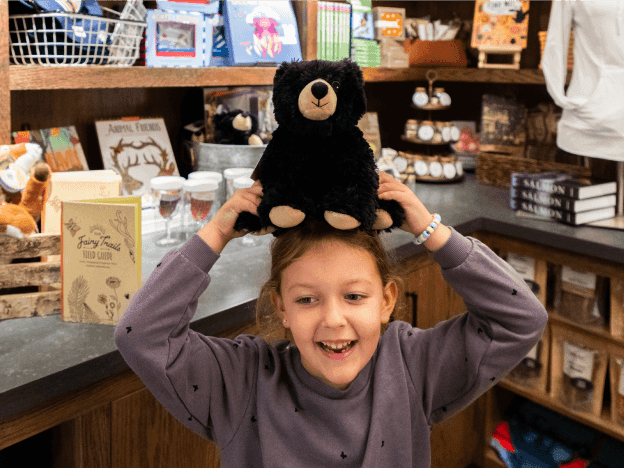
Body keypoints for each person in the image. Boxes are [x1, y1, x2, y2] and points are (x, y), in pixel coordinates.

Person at [115, 171, 548, 467]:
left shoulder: (414, 366)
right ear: (280, 307)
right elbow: (142, 334)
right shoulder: (242, 382)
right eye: (306, 300)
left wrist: (430, 229)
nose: (333, 320)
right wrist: (216, 231)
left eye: (355, 296)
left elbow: (520, 319)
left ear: (387, 300)